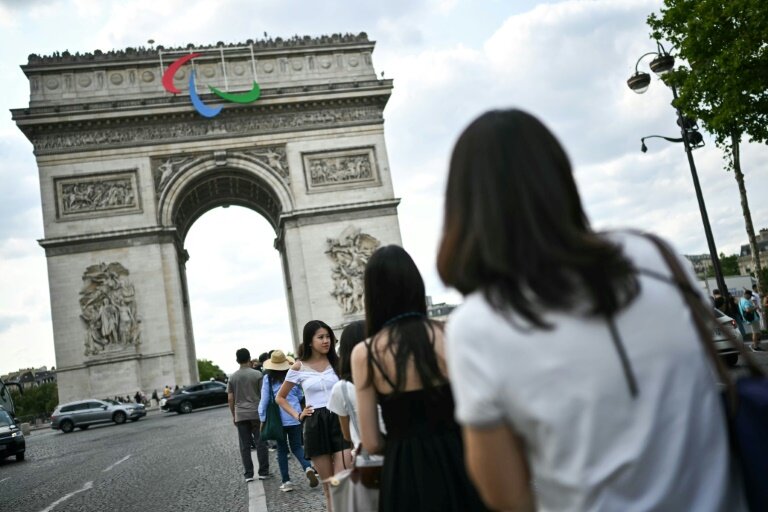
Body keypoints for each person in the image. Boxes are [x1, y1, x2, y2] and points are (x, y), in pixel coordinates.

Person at [437, 109, 746, 511]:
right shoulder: (658, 256)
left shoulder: (477, 326)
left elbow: (508, 498)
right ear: (562, 178)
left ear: (463, 204)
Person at [351, 245, 488, 512]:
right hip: (462, 459)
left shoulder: (364, 354)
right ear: (415, 284)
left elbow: (371, 442)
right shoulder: (449, 334)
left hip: (404, 471)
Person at [277, 321, 351, 511]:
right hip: (315, 424)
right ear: (310, 341)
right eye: (321, 337)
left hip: (340, 419)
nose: (326, 341)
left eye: (328, 337)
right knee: (329, 487)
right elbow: (280, 398)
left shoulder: (338, 361)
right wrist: (298, 414)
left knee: (341, 482)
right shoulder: (298, 367)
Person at [259, 350, 317, 492]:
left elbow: (265, 401)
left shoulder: (268, 379)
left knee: (282, 450)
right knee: (297, 446)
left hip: (278, 420)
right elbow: (299, 395)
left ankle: (287, 482)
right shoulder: (292, 375)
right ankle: (307, 467)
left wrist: (262, 419)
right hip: (295, 416)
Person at [327, 320, 386, 454]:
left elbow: (347, 435)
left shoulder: (341, 388)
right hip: (403, 453)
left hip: (369, 461)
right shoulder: (392, 376)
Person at [227, 347, 270, 482]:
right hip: (257, 412)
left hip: (241, 414)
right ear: (249, 358)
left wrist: (234, 414)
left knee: (244, 446)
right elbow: (264, 394)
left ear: (237, 360)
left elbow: (230, 398)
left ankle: (249, 474)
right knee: (261, 442)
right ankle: (263, 471)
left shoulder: (232, 377)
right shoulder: (258, 375)